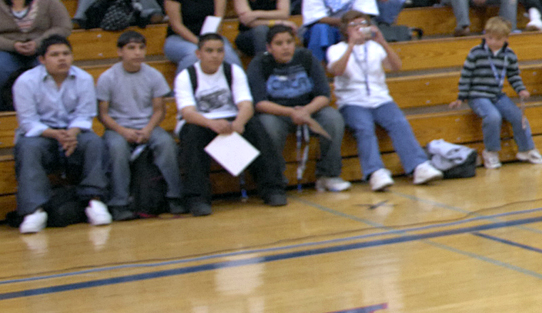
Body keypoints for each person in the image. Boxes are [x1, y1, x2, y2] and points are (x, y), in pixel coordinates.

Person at [328, 12, 442, 191]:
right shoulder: (336, 49)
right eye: (354, 25)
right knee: (364, 129)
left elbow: (396, 66)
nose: (359, 28)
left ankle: (418, 165)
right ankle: (375, 172)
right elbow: (337, 71)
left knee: (399, 123)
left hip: (380, 99)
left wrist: (382, 41)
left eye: (363, 23)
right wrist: (351, 45)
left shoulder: (375, 47)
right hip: (352, 101)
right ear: (345, 29)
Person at [174, 30, 285, 212]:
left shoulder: (233, 72)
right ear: (198, 54)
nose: (215, 56)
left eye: (219, 51)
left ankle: (272, 189)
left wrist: (239, 123)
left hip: (231, 119)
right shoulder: (186, 76)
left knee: (256, 127)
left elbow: (246, 104)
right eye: (209, 51)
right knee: (193, 134)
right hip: (202, 122)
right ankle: (197, 199)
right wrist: (212, 124)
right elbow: (187, 113)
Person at [14, 36, 112, 231]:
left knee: (93, 142)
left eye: (66, 54)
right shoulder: (25, 82)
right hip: (42, 135)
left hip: (73, 133)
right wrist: (56, 134)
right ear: (42, 59)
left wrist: (71, 133)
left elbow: (85, 114)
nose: (62, 59)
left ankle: (94, 200)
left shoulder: (83, 78)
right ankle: (35, 210)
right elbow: (28, 122)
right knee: (27, 147)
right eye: (55, 55)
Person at [247, 23, 349, 193]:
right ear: (269, 48)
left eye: (289, 42)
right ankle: (275, 179)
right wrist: (292, 112)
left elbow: (324, 95)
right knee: (268, 127)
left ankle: (328, 175)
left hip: (308, 109)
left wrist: (306, 111)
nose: (285, 47)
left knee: (333, 119)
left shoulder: (306, 57)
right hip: (276, 113)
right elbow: (259, 103)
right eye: (279, 44)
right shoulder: (259, 63)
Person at [95, 29, 185, 218]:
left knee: (166, 144)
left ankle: (174, 196)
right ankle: (119, 203)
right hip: (118, 128)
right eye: (131, 48)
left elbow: (159, 110)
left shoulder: (154, 75)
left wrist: (148, 129)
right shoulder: (107, 78)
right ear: (120, 52)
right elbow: (103, 115)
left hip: (147, 125)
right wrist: (123, 131)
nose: (137, 53)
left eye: (141, 48)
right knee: (117, 148)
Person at [458, 18, 542, 170]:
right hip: (478, 95)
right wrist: (461, 96)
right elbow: (466, 75)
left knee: (518, 116)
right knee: (493, 117)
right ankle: (490, 152)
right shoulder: (476, 52)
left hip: (497, 95)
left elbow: (513, 75)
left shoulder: (509, 55)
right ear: (485, 36)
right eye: (490, 38)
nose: (493, 42)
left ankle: (526, 149)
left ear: (506, 38)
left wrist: (521, 89)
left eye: (498, 39)